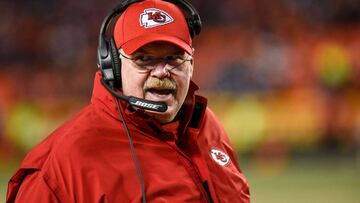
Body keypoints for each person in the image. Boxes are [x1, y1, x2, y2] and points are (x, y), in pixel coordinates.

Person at [6, 0, 250, 202]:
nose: (161, 71)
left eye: (174, 58)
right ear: (113, 66)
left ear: (191, 63)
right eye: (143, 59)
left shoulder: (207, 127)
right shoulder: (59, 169)